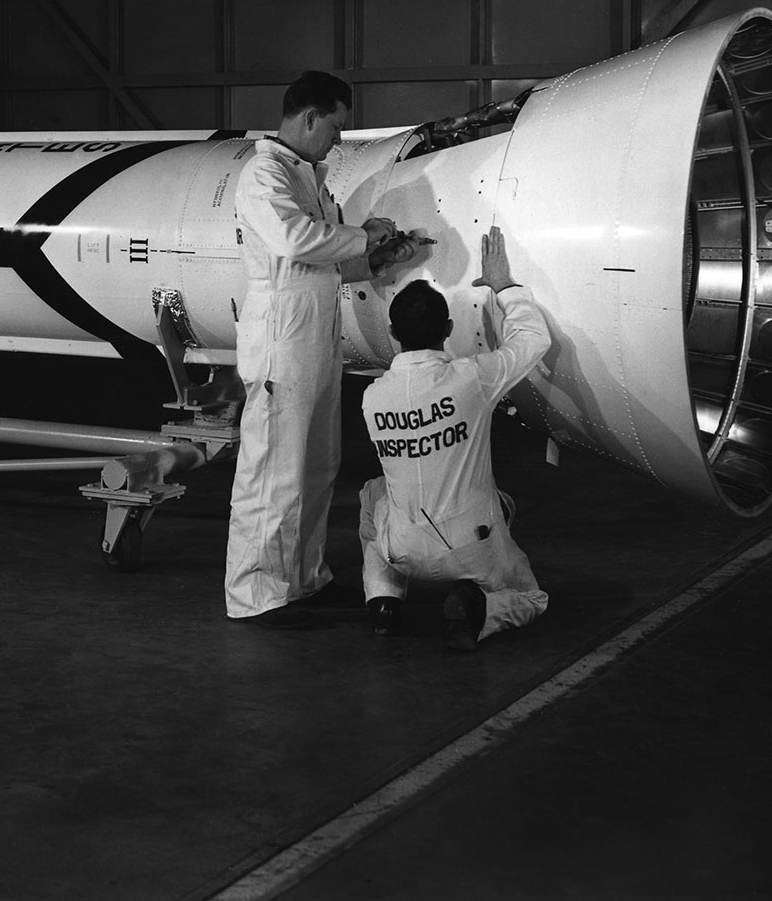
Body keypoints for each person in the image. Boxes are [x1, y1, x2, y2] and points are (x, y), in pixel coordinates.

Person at [226, 70, 415, 628]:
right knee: (274, 469)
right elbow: (293, 240)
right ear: (309, 116)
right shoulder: (264, 173)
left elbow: (321, 255)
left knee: (315, 465)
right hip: (283, 333)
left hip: (314, 331)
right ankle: (257, 594)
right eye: (335, 126)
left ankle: (301, 579)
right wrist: (363, 236)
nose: (338, 139)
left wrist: (373, 254)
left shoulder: (305, 175)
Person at [357, 226, 551, 650]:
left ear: (393, 333)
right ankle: (480, 607)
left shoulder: (373, 398)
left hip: (403, 549)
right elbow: (534, 340)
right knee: (532, 598)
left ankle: (383, 599)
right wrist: (503, 287)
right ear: (447, 329)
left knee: (373, 494)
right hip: (471, 549)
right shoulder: (470, 380)